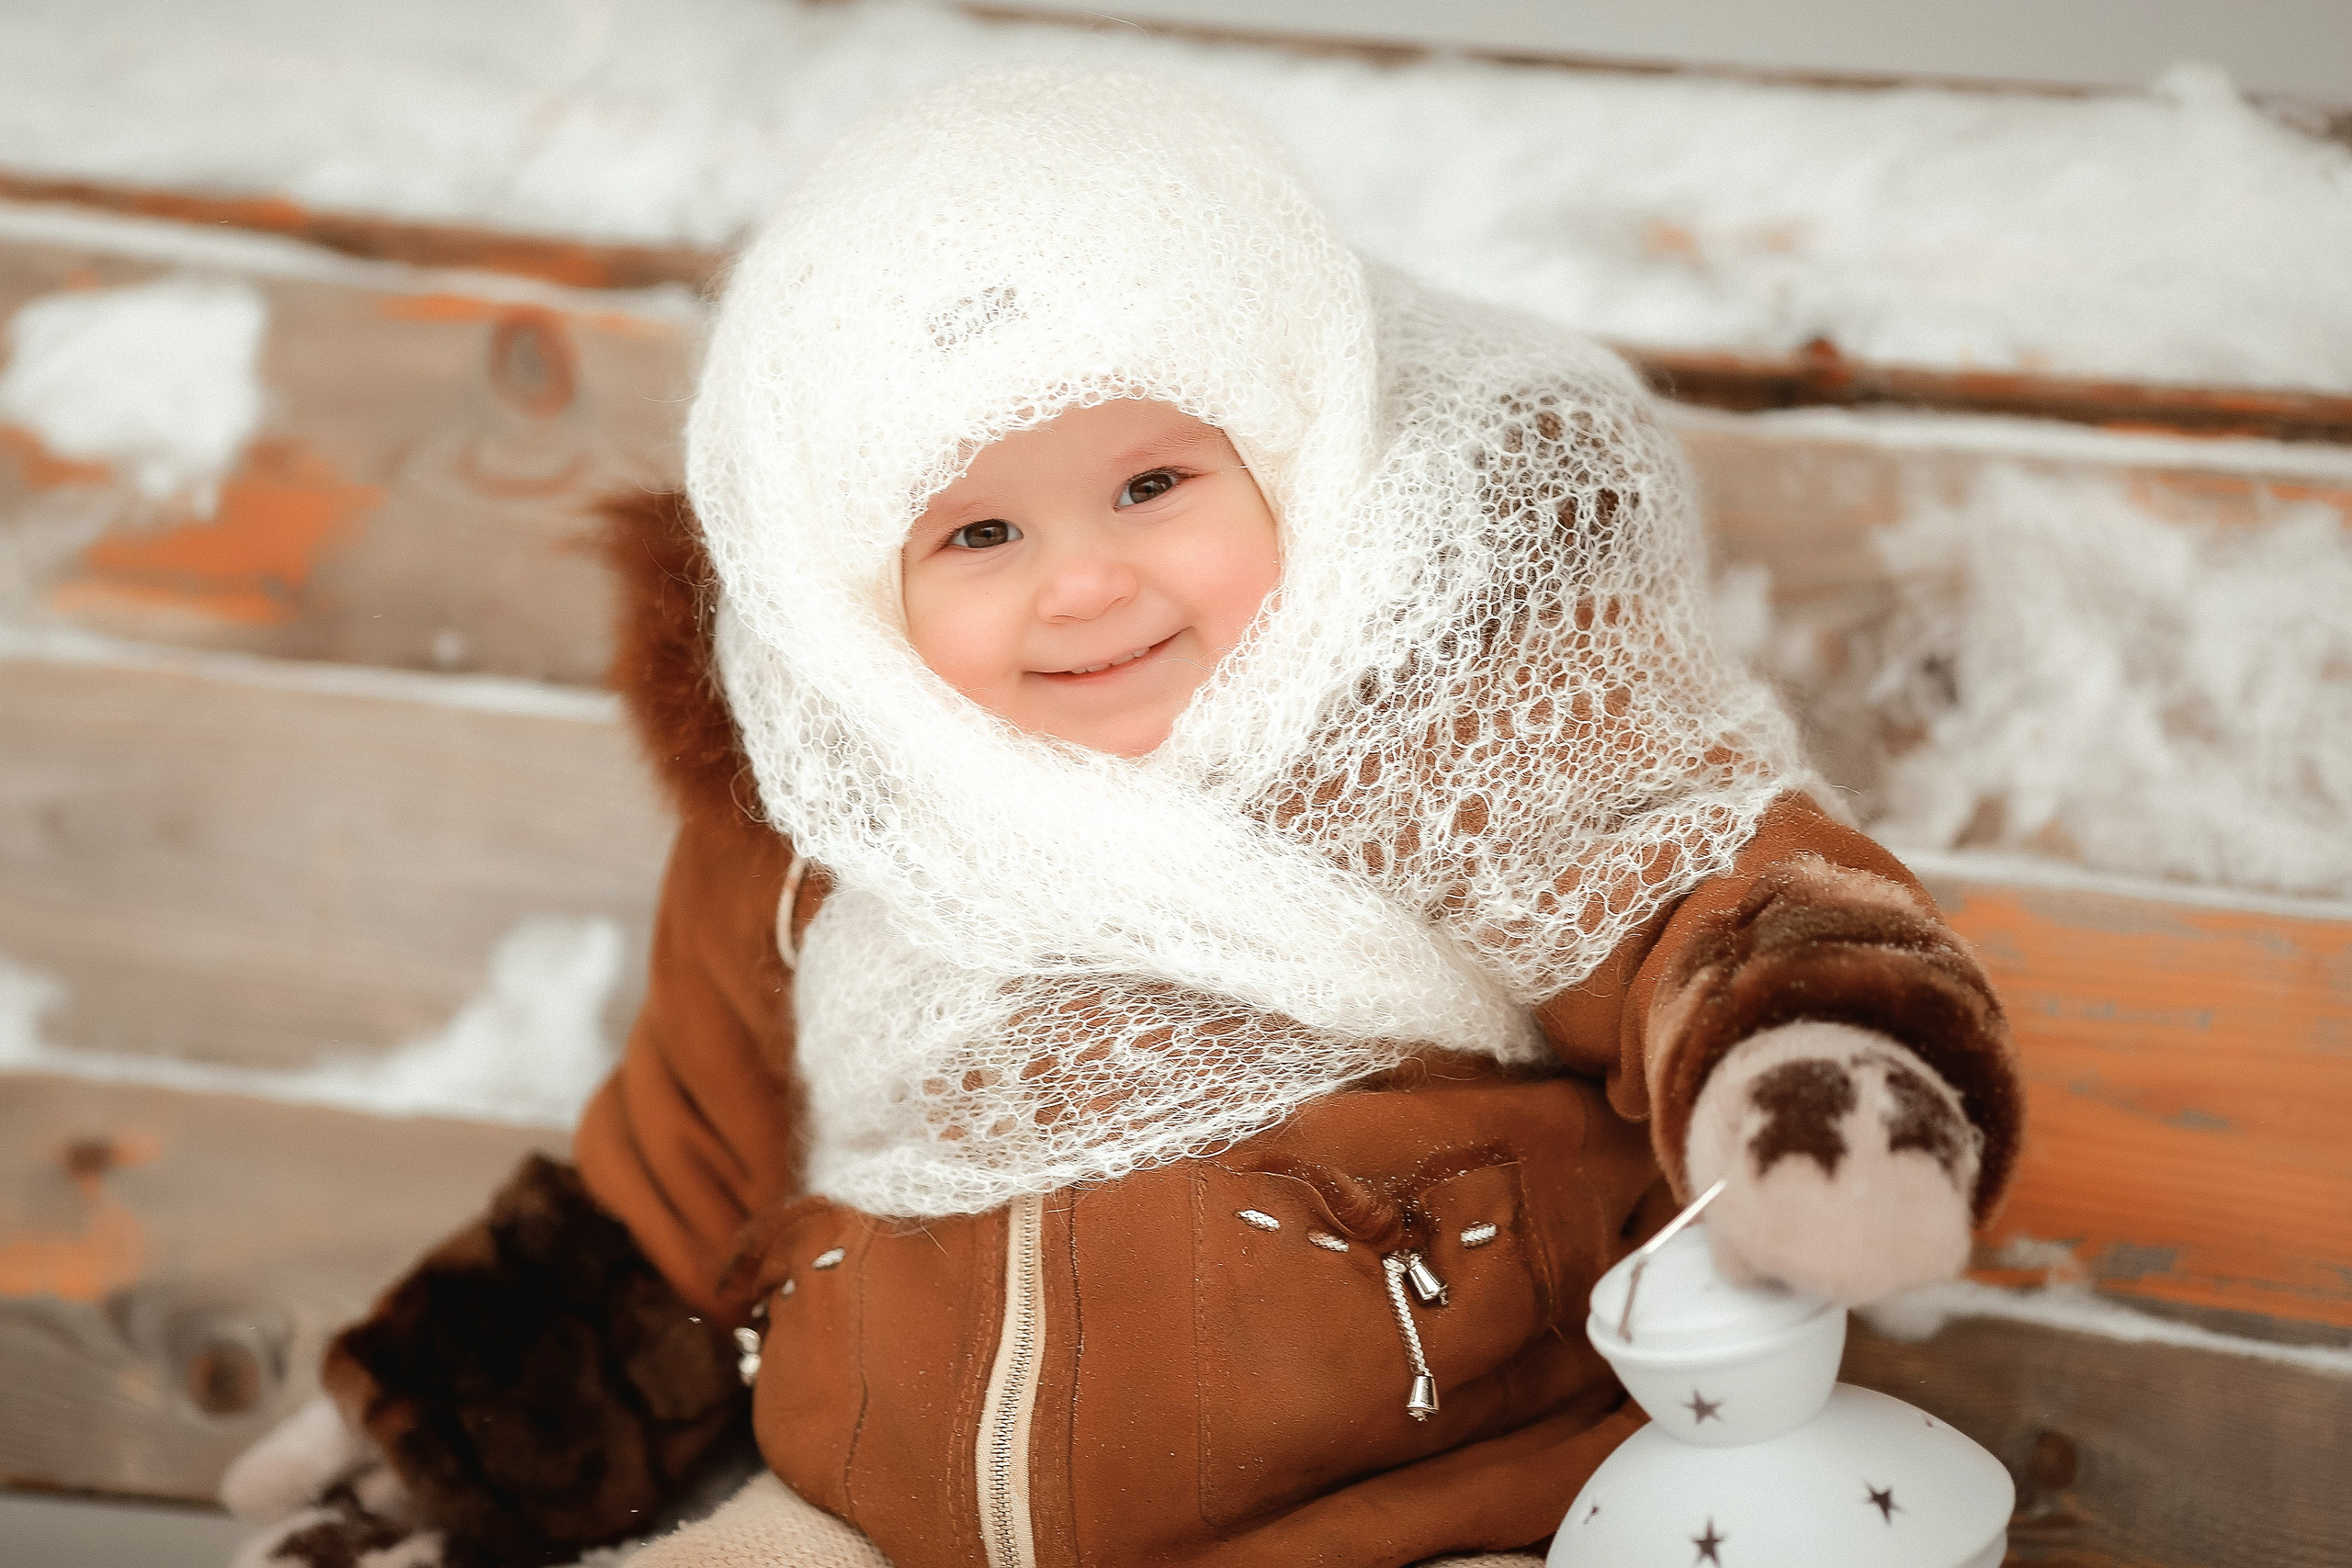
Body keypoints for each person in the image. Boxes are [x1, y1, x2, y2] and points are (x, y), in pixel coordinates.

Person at [224, 65, 2020, 1568]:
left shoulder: (1438, 708)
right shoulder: (815, 829)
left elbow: (1682, 877)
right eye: (978, 533)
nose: (1085, 585)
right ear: (854, 581)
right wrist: (457, 1423)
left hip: (1429, 1512)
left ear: (1288, 444)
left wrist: (1812, 1057)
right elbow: (682, 1177)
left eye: (1151, 483)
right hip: (877, 1526)